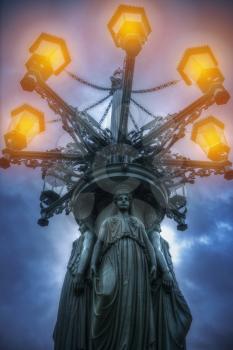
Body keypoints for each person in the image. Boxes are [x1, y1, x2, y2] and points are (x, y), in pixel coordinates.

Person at [90, 185, 157, 350]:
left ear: (130, 201)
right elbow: (99, 243)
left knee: (134, 298)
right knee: (106, 293)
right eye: (120, 199)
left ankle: (129, 343)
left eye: (127, 198)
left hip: (136, 258)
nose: (124, 201)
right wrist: (93, 262)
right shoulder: (108, 222)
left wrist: (154, 263)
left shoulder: (137, 222)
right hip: (112, 256)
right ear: (115, 202)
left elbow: (148, 244)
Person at [148, 224, 192, 350]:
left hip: (167, 280)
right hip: (165, 281)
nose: (159, 225)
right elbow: (157, 250)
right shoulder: (154, 234)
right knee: (184, 315)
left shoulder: (155, 235)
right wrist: (166, 272)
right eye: (155, 221)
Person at [53, 222, 95, 350]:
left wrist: (79, 274)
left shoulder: (89, 234)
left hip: (76, 275)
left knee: (75, 310)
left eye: (83, 221)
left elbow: (86, 250)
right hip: (72, 274)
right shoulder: (84, 236)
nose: (79, 225)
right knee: (69, 310)